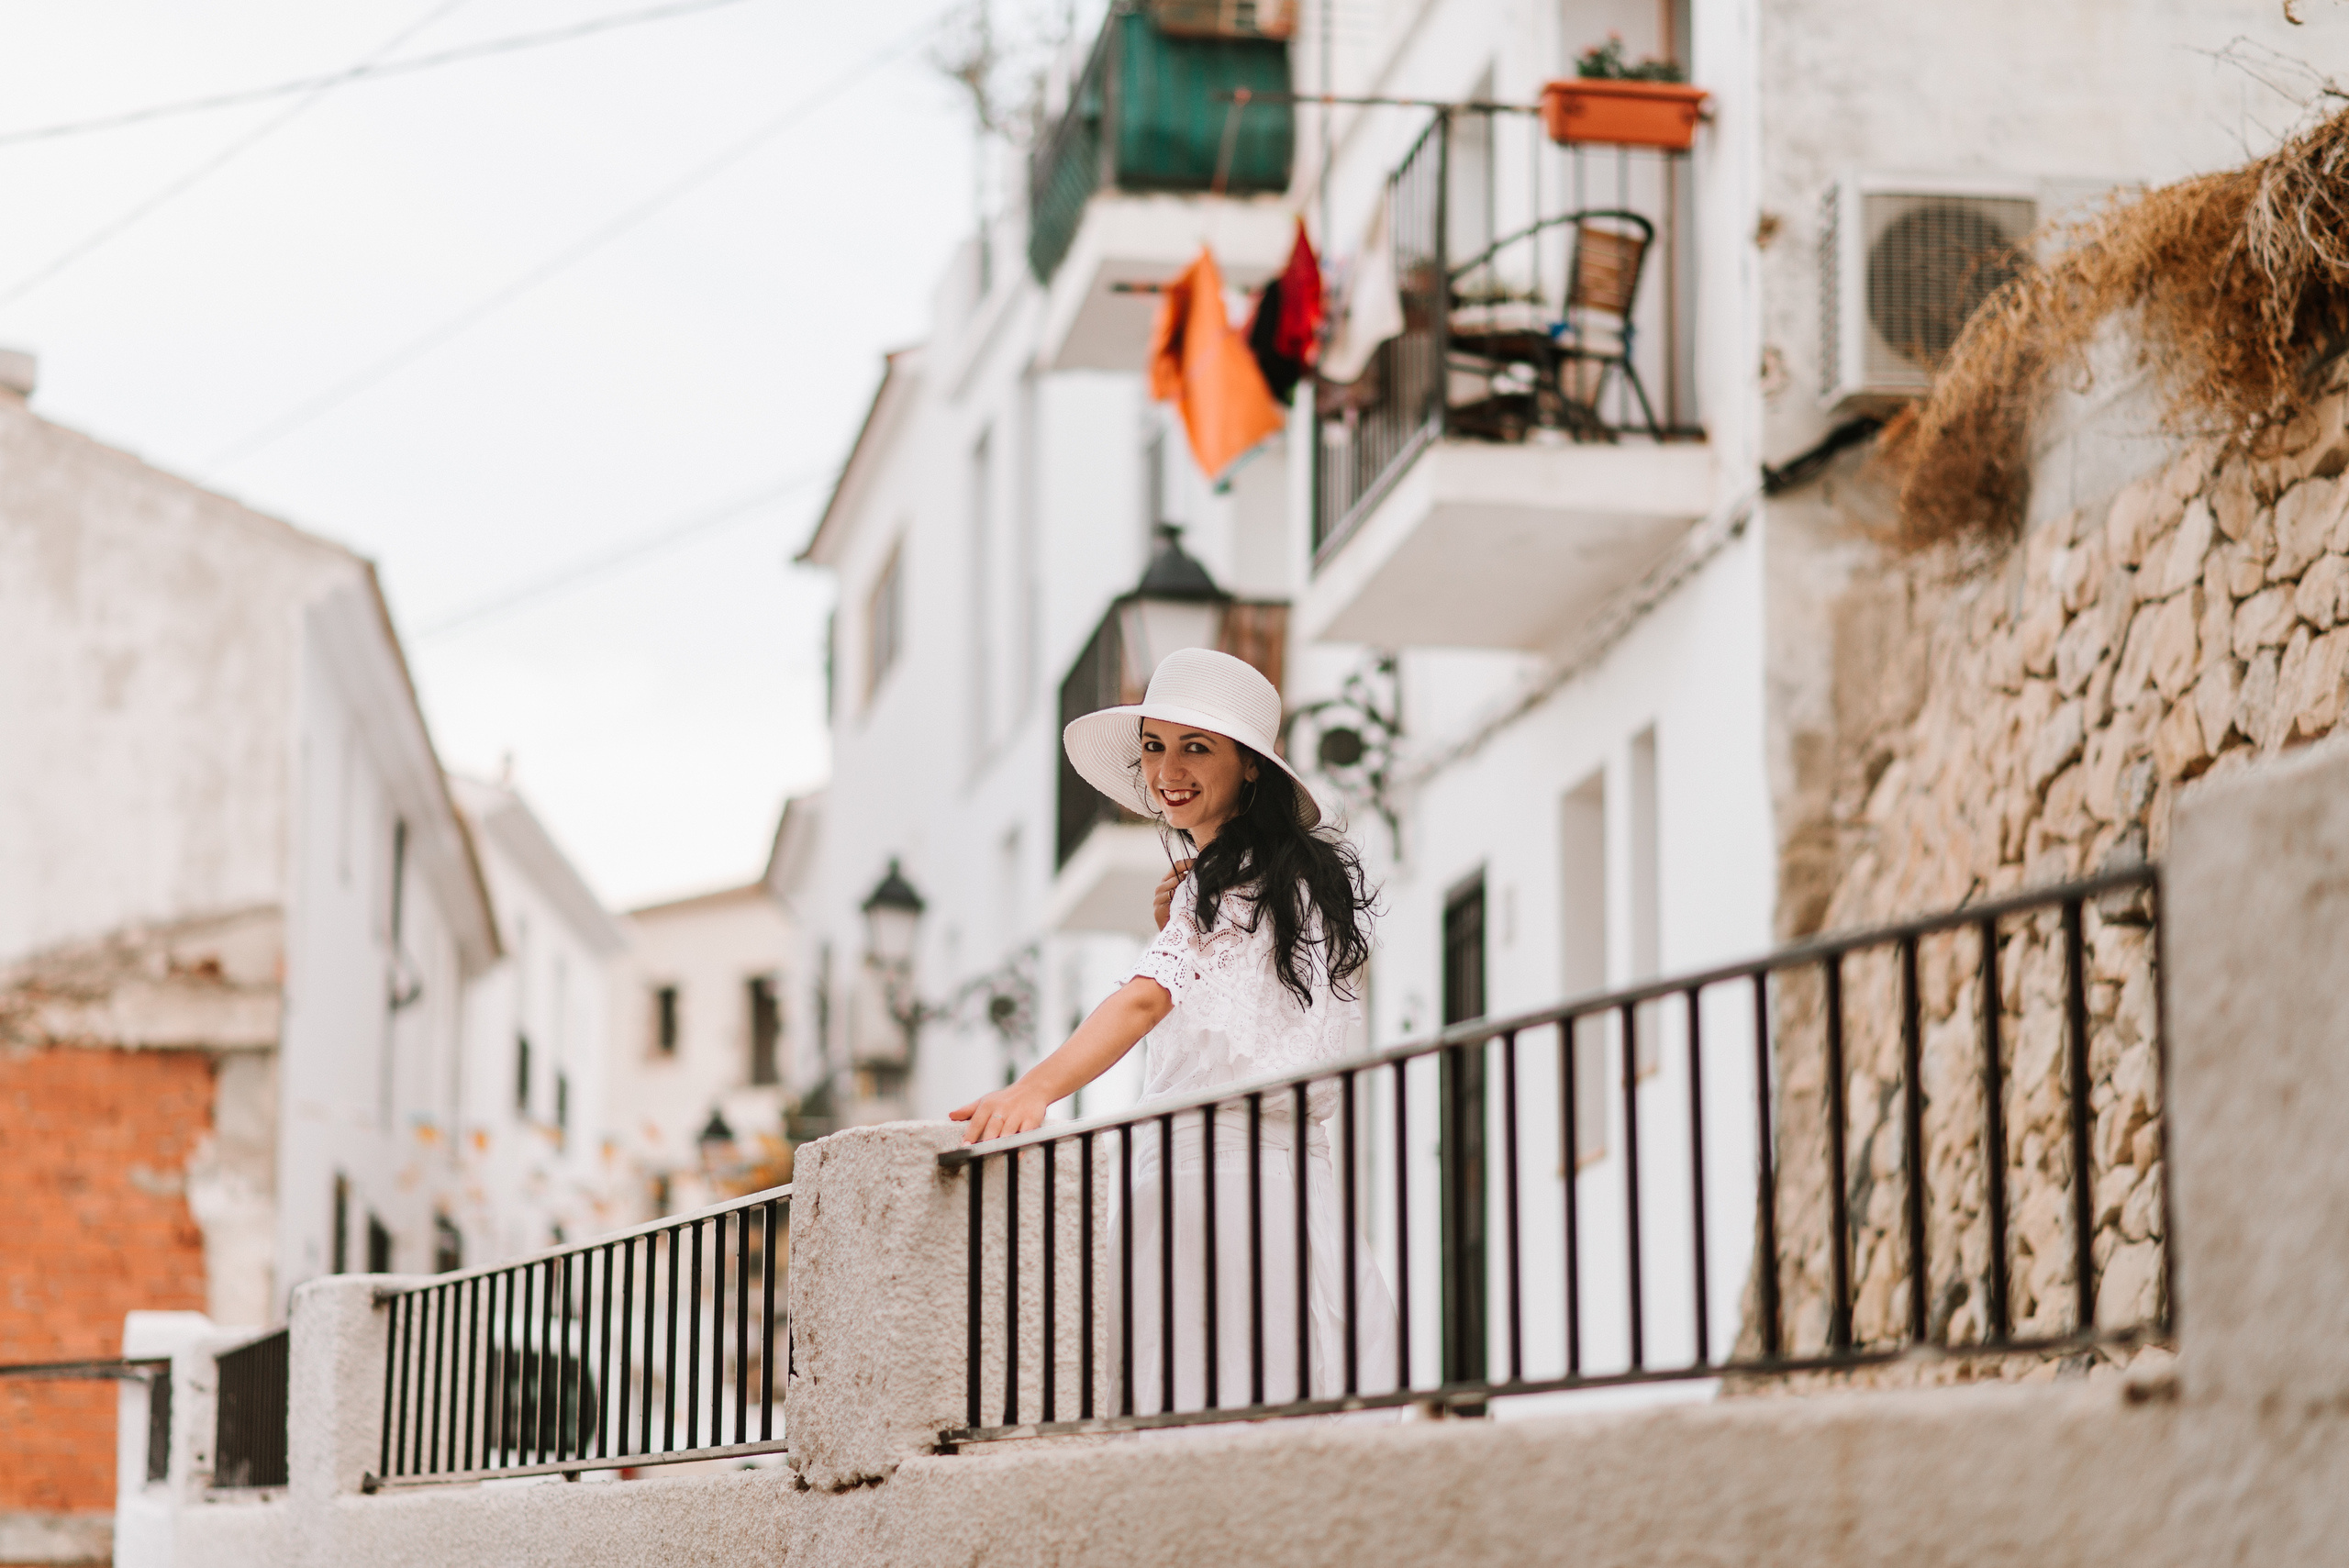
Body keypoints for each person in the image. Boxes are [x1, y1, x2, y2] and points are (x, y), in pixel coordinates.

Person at [952, 648, 1397, 1413]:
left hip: (1209, 1181)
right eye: (1155, 746)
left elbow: (1143, 1002)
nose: (1168, 770)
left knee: (1202, 1398)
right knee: (1286, 1388)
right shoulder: (1281, 878)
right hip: (1284, 1180)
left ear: (1250, 766)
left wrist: (1036, 1088)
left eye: (1197, 746)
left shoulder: (1224, 882)